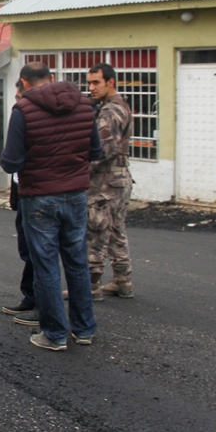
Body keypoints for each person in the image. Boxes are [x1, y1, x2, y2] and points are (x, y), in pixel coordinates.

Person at [0, 61, 102, 351]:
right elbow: (95, 151)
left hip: (39, 196)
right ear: (53, 78)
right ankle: (84, 329)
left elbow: (11, 161)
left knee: (46, 265)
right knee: (77, 262)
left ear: (24, 82)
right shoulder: (85, 105)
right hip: (76, 194)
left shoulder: (23, 110)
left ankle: (55, 334)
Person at [86, 62, 135, 298]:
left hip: (105, 180)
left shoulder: (109, 112)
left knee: (96, 229)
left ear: (110, 82)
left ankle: (91, 283)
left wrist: (82, 169)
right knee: (116, 228)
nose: (91, 88)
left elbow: (103, 150)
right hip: (120, 178)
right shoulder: (120, 105)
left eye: (96, 82)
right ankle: (122, 279)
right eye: (89, 83)